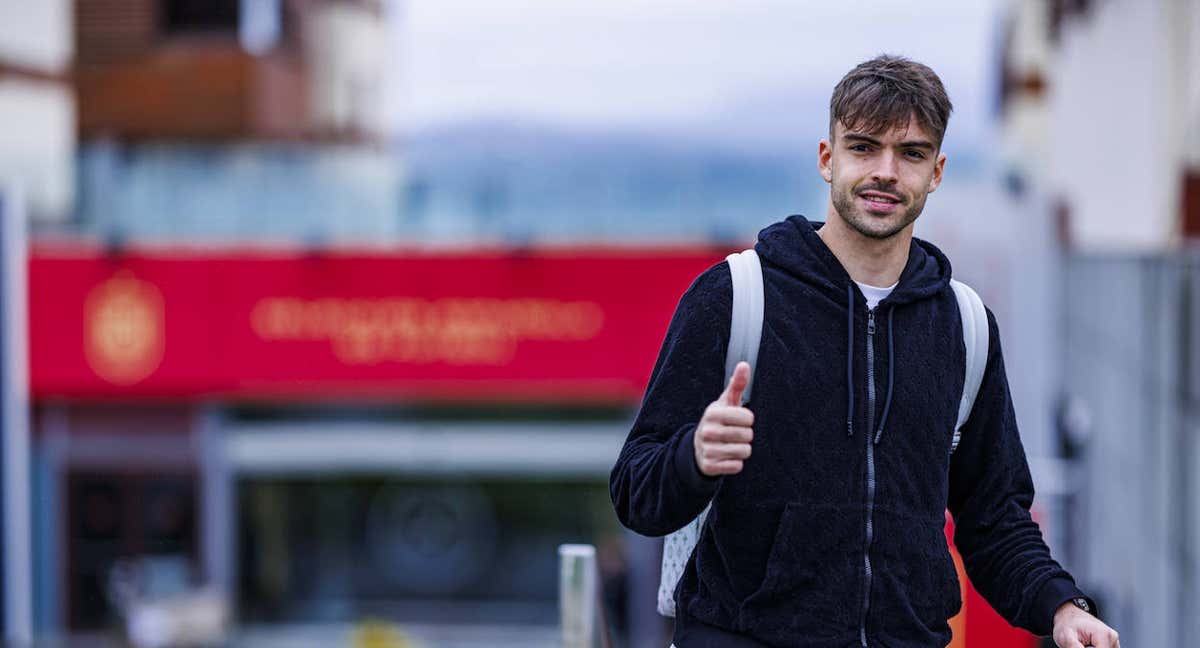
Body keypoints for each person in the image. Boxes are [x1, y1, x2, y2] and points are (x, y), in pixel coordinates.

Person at [609, 56, 1120, 648]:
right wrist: (694, 457)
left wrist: (1062, 606)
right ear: (828, 159)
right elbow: (635, 492)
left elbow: (995, 520)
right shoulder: (735, 296)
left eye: (911, 153)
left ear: (937, 171)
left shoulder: (966, 325)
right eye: (863, 147)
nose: (885, 172)